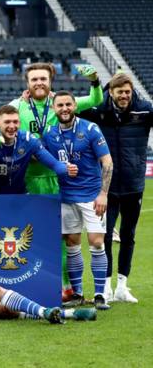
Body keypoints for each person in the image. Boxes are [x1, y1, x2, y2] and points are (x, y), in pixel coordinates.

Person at [10, 62, 103, 300]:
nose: (39, 82)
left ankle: (65, 286)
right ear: (27, 83)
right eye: (34, 79)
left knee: (63, 238)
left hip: (61, 179)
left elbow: (94, 100)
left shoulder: (61, 104)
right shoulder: (17, 105)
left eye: (43, 78)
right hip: (29, 180)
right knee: (32, 234)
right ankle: (37, 281)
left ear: (50, 81)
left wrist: (94, 81)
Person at [80, 73, 153, 303]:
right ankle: (107, 285)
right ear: (110, 92)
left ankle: (123, 285)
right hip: (106, 187)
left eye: (127, 92)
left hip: (134, 184)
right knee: (105, 236)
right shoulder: (97, 111)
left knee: (129, 235)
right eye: (119, 92)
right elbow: (68, 109)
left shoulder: (144, 110)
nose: (124, 96)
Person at [41, 91, 113, 310]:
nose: (65, 108)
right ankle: (78, 293)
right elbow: (38, 154)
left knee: (97, 243)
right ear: (53, 109)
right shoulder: (50, 133)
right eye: (60, 105)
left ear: (75, 106)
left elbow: (107, 162)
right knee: (72, 245)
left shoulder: (90, 129)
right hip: (66, 197)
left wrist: (103, 194)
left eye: (68, 104)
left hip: (92, 197)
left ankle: (100, 294)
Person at [0, 105, 77, 195]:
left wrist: (65, 168)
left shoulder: (27, 139)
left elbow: (53, 164)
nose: (12, 126)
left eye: (15, 122)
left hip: (18, 196)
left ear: (20, 123)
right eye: (7, 122)